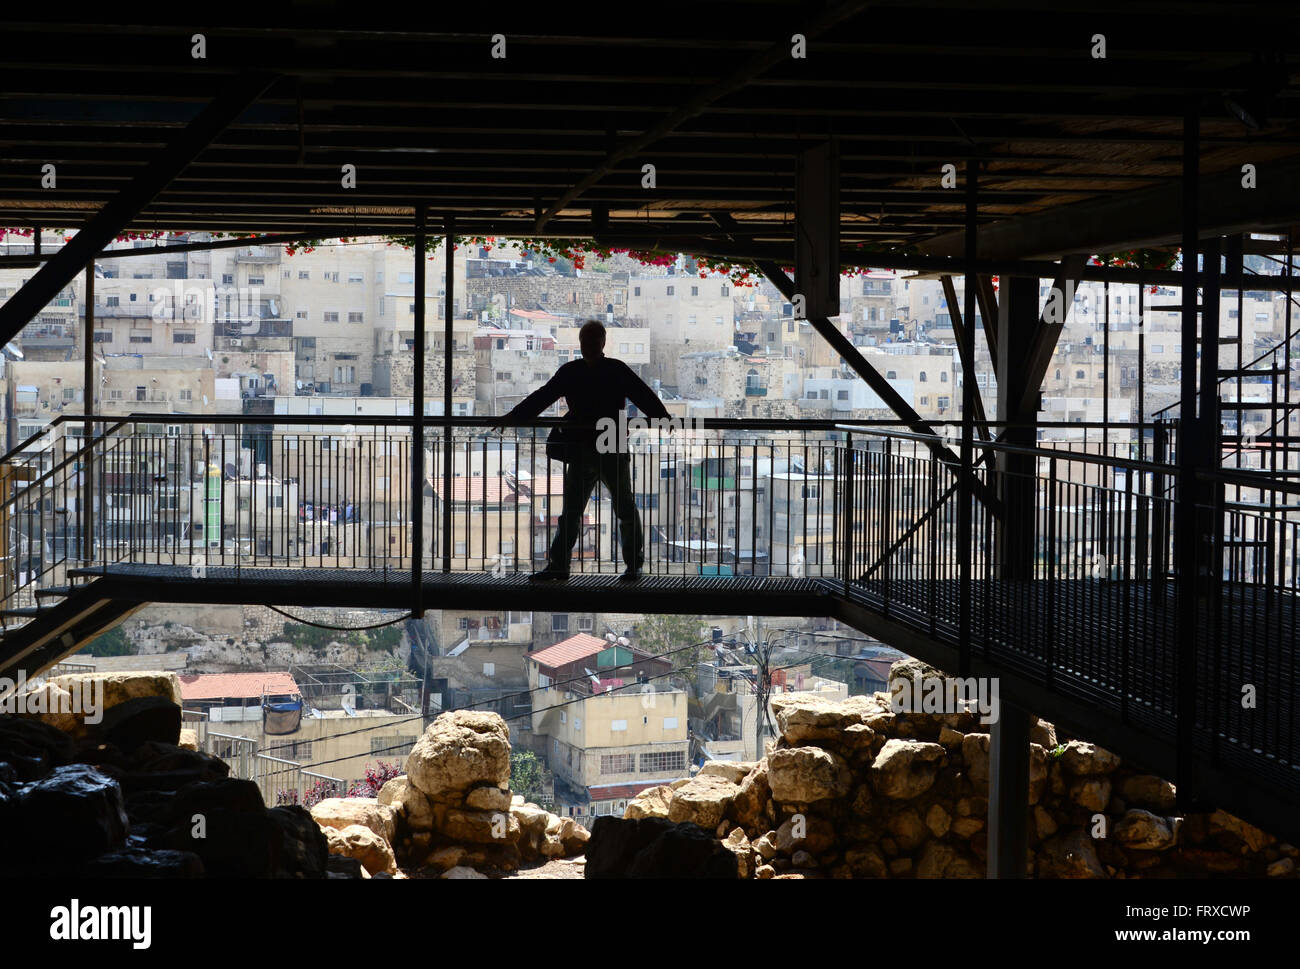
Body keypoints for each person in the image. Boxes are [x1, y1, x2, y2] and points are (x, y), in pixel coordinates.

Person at [493, 319, 671, 581]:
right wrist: (661, 416)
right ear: (603, 342)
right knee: (623, 508)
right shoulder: (616, 370)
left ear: (589, 343)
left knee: (573, 512)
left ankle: (559, 566)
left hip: (580, 446)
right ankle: (633, 566)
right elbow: (643, 394)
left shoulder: (571, 371)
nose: (589, 346)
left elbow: (543, 397)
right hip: (610, 444)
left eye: (589, 341)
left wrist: (513, 416)